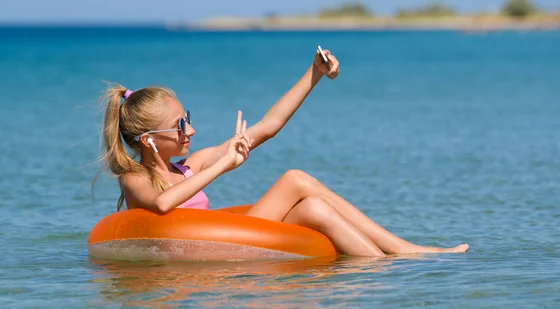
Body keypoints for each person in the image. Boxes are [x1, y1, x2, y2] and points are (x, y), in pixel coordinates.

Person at [98, 48, 469, 257]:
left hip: (224, 244)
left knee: (313, 208)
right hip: (201, 253)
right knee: (294, 179)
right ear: (148, 139)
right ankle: (406, 251)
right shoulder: (134, 178)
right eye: (180, 125)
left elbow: (267, 127)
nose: (190, 130)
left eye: (188, 118)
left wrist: (314, 74)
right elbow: (163, 206)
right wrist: (225, 164)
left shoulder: (190, 166)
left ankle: (380, 264)